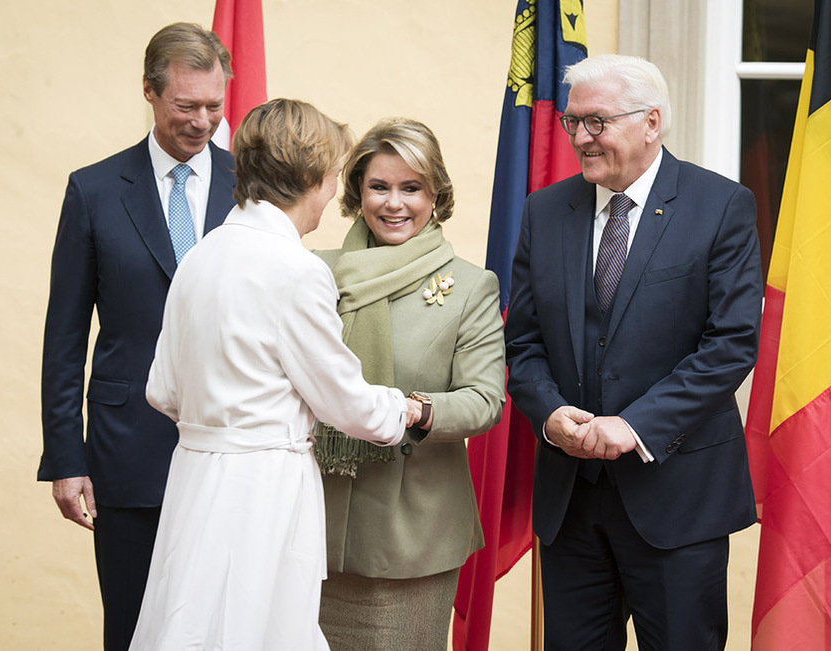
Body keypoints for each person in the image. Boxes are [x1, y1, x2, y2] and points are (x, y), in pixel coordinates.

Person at [127, 98, 420, 651]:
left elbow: (161, 388)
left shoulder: (201, 255)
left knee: (192, 623)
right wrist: (399, 408)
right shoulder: (296, 270)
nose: (335, 191)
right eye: (334, 175)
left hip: (194, 477)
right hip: (263, 485)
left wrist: (218, 424)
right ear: (311, 176)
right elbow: (344, 401)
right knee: (259, 627)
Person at [504, 54, 763, 650]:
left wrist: (636, 426)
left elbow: (729, 345)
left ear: (651, 122)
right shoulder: (545, 211)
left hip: (678, 499)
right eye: (573, 124)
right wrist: (548, 414)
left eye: (597, 122)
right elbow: (523, 342)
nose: (581, 139)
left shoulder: (720, 206)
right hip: (571, 502)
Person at [38, 23, 236, 650]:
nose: (202, 121)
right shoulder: (93, 191)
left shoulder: (253, 188)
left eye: (214, 105)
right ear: (149, 93)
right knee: (133, 630)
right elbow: (65, 336)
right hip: (127, 454)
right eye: (186, 106)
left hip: (233, 448)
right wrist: (67, 458)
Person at [314, 117, 506, 651]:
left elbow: (485, 400)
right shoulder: (311, 271)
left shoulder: (470, 287)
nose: (393, 203)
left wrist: (410, 409)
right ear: (357, 192)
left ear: (435, 194)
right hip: (308, 526)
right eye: (378, 187)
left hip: (409, 537)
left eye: (411, 188)